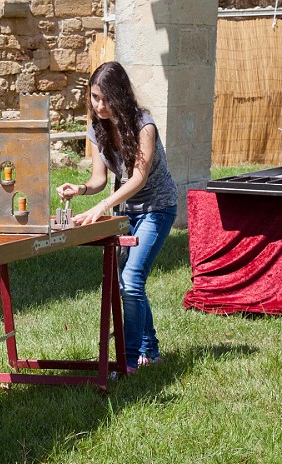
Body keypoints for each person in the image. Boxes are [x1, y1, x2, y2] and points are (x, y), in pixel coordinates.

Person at [55, 61, 178, 375]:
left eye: (105, 99)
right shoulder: (97, 129)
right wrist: (81, 189)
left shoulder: (143, 125)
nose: (99, 105)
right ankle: (151, 351)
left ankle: (128, 362)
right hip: (127, 211)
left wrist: (103, 206)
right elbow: (98, 179)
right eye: (94, 98)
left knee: (131, 280)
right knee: (130, 283)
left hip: (157, 208)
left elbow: (138, 177)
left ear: (121, 96)